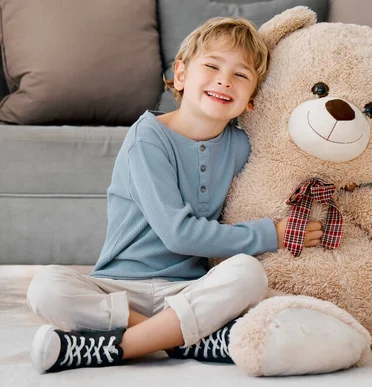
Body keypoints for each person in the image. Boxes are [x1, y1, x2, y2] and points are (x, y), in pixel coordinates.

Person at [26, 16, 323, 374]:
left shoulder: (241, 145)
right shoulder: (147, 138)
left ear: (252, 101)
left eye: (241, 75)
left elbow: (288, 165)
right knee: (45, 288)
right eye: (212, 66)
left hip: (187, 291)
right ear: (181, 75)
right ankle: (180, 339)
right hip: (119, 290)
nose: (223, 80)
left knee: (248, 273)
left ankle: (107, 347)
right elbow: (178, 233)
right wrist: (268, 234)